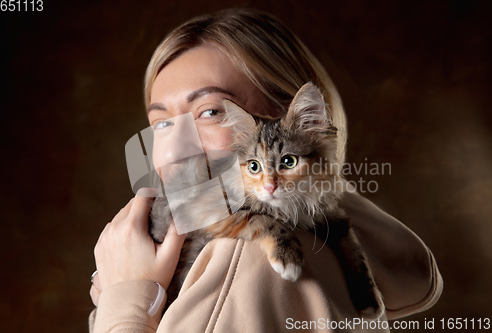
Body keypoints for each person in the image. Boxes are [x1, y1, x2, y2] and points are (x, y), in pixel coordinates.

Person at [89, 9, 443, 332]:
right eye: (161, 124)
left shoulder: (244, 257)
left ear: (301, 118)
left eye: (211, 112)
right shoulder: (328, 236)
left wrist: (127, 302)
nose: (175, 152)